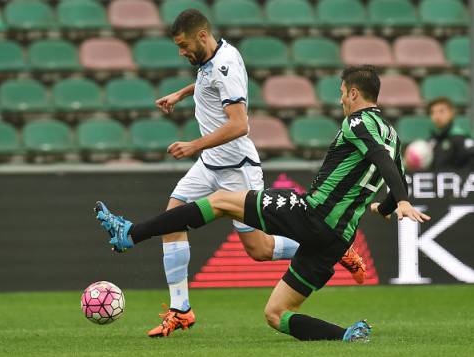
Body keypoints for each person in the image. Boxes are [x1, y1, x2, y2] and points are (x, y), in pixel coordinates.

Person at [95, 65, 431, 342]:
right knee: (275, 315)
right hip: (338, 238)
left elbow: (380, 163)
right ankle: (346, 335)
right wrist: (387, 208)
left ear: (354, 93)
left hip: (311, 214)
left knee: (221, 202)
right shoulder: (392, 135)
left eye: (342, 91)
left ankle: (132, 233)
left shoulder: (357, 122)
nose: (340, 98)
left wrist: (399, 200)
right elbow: (392, 172)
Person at [127, 9, 365, 337]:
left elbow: (240, 125)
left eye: (183, 45)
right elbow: (208, 80)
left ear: (201, 36)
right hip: (210, 163)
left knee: (259, 250)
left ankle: (335, 249)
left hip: (237, 167)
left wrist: (194, 145)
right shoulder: (215, 57)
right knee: (173, 218)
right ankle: (180, 309)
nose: (181, 52)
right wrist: (182, 94)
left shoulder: (224, 66)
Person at [428, 97, 474, 169]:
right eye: (433, 112)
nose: (437, 116)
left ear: (451, 113)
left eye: (441, 111)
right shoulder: (432, 140)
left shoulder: (460, 138)